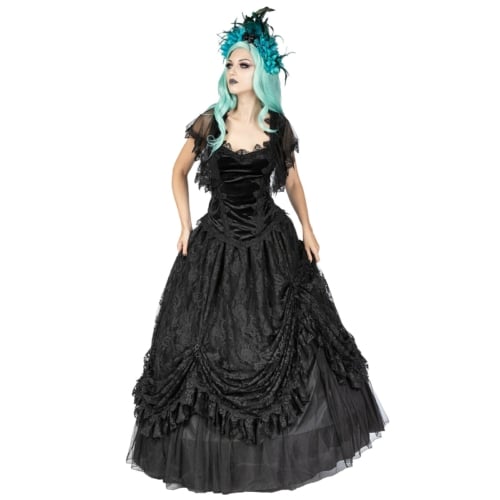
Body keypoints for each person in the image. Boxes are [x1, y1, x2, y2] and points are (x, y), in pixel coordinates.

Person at [126, 7, 389, 493]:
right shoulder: (210, 123)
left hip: (272, 247)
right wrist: (184, 224)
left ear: (262, 72)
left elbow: (293, 181)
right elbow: (177, 172)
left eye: (243, 64)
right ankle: (219, 457)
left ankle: (278, 450)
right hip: (216, 248)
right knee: (205, 345)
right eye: (229, 63)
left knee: (294, 342)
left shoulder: (277, 126)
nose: (233, 71)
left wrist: (308, 227)